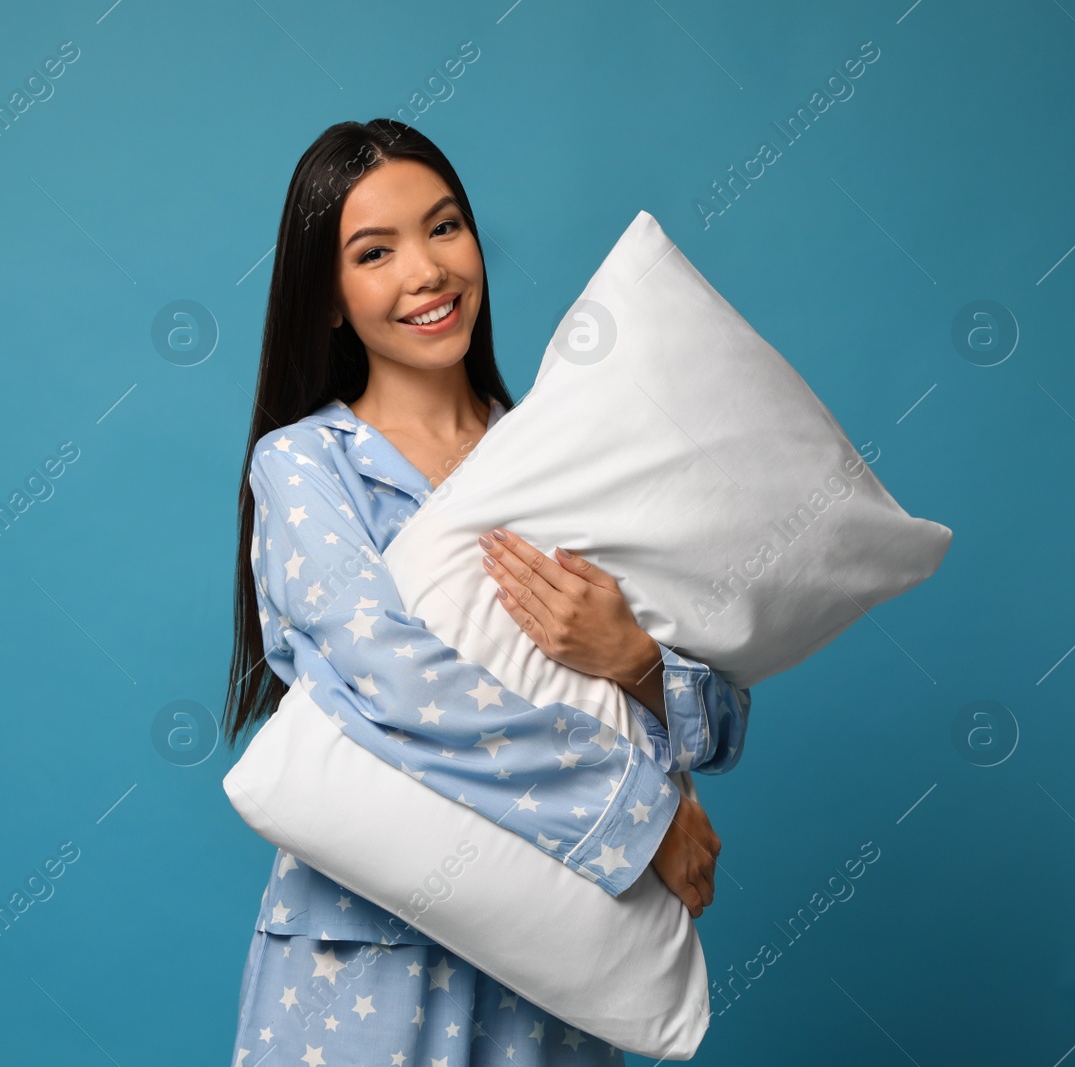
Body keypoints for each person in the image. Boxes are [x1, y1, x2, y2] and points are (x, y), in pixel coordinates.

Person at [222, 118, 751, 1066]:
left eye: (445, 227)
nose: (426, 271)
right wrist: (637, 812)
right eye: (374, 252)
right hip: (366, 959)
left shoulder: (562, 456)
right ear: (331, 299)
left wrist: (633, 659)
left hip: (556, 962)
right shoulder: (304, 465)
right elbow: (388, 677)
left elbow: (721, 722)